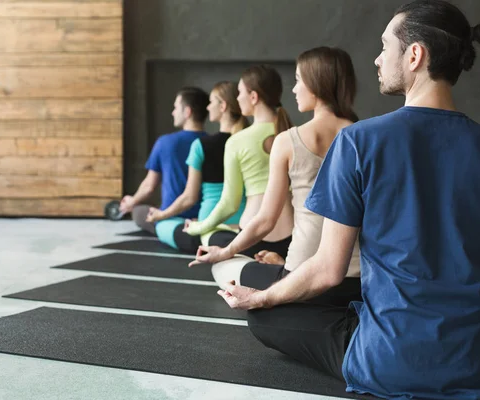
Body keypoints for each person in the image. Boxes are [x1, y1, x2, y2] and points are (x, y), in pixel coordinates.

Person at [216, 1, 480, 398]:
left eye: (384, 47)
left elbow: (327, 271)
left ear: (414, 55)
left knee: (265, 319)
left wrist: (263, 297)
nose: (377, 60)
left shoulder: (359, 142)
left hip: (389, 362)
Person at [190, 47, 361, 305]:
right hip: (357, 277)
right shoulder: (365, 136)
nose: (293, 90)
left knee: (221, 268)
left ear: (315, 85)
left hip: (302, 273)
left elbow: (265, 220)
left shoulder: (288, 141)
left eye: (298, 80)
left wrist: (224, 252)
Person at [184, 65, 295, 259]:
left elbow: (230, 204)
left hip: (252, 237)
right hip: (293, 236)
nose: (237, 98)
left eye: (240, 93)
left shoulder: (237, 141)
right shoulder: (295, 134)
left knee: (211, 241)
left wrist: (198, 227)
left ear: (253, 97)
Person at [145, 82, 248, 252]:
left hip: (209, 227)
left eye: (211, 102)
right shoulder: (248, 141)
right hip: (244, 224)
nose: (208, 108)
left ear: (222, 106)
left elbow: (189, 197)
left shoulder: (201, 145)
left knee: (155, 221)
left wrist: (161, 215)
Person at [119, 87, 208, 235]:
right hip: (203, 216)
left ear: (187, 112)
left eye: (175, 107)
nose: (173, 112)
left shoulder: (165, 142)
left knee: (139, 211)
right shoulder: (213, 143)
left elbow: (149, 186)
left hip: (171, 216)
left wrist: (131, 202)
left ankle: (170, 229)